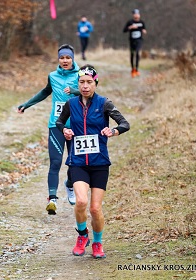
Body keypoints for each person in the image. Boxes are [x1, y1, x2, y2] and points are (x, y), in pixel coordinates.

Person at [56, 64, 130, 258]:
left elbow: (124, 123)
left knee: (95, 209)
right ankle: (82, 235)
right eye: (82, 82)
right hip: (78, 161)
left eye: (89, 82)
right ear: (78, 84)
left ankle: (97, 243)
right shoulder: (71, 104)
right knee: (81, 202)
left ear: (96, 83)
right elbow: (59, 122)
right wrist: (65, 130)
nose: (85, 86)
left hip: (99, 164)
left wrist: (112, 131)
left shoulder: (104, 103)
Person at [17, 44, 79, 215]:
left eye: (68, 57)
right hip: (56, 124)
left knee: (75, 163)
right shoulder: (53, 76)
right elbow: (44, 92)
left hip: (76, 126)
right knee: (56, 161)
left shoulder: (81, 75)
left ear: (72, 58)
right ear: (58, 59)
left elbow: (88, 92)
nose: (65, 60)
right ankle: (52, 198)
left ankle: (69, 185)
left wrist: (74, 90)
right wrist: (26, 104)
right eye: (62, 57)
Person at [123, 9, 147, 77]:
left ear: (139, 15)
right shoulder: (130, 22)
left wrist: (144, 31)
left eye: (137, 14)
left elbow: (144, 29)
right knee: (132, 54)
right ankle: (132, 70)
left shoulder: (142, 22)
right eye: (135, 14)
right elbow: (124, 30)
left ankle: (136, 69)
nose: (136, 15)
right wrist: (131, 27)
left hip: (139, 40)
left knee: (137, 53)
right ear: (133, 15)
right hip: (132, 41)